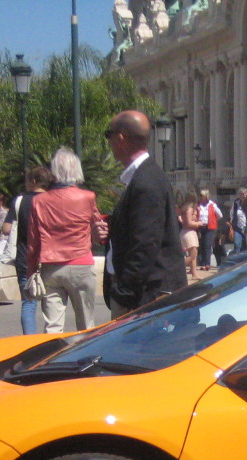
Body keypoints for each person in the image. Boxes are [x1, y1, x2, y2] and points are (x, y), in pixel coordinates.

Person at [101, 110, 186, 318]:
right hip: (142, 294)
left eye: (108, 135)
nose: (109, 143)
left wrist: (124, 294)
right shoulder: (143, 177)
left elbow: (145, 243)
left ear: (120, 138)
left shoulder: (146, 182)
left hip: (145, 297)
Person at [28, 147, 102, 333]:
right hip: (81, 264)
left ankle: (53, 360)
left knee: (52, 327)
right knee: (86, 325)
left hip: (51, 266)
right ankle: (86, 358)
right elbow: (99, 227)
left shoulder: (39, 201)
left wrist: (30, 270)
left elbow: (33, 241)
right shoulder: (87, 197)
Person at [8, 165, 51, 334]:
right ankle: (50, 341)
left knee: (28, 304)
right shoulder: (51, 199)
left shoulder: (20, 200)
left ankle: (29, 343)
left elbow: (6, 228)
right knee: (51, 303)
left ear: (33, 180)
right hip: (48, 258)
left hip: (25, 257)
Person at [178, 191, 202, 280]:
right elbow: (188, 223)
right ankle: (178, 266)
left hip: (188, 232)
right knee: (193, 254)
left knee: (194, 255)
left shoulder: (186, 208)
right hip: (188, 232)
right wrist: (198, 223)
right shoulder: (189, 209)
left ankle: (194, 274)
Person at [196, 188, 221, 268]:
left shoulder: (212, 205)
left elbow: (220, 215)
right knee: (202, 245)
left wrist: (213, 220)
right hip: (200, 227)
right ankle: (202, 262)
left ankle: (207, 263)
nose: (200, 197)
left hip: (209, 227)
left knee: (207, 244)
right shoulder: (198, 204)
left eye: (202, 195)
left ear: (206, 196)